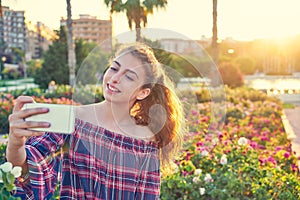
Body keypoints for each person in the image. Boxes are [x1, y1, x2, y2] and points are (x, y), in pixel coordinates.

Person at [6, 43, 185, 199]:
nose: (115, 78)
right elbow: (26, 170)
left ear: (143, 92)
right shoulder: (73, 121)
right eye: (114, 68)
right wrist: (15, 143)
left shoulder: (145, 140)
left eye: (129, 76)